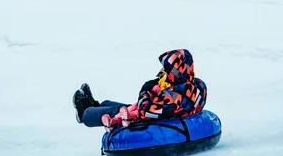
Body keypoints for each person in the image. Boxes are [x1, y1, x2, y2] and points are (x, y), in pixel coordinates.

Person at [73, 49, 208, 131]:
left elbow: (146, 110)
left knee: (116, 112)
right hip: (162, 111)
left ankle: (84, 113)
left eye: (168, 70)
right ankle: (95, 105)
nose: (165, 73)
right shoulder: (197, 84)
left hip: (152, 118)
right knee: (116, 105)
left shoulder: (176, 95)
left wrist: (146, 90)